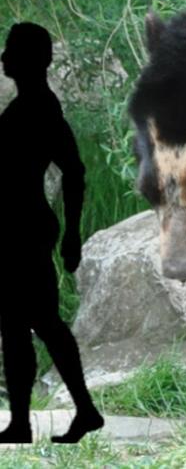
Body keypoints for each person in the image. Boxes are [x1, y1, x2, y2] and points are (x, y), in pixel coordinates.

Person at [0, 22, 103, 444]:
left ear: (28, 59)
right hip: (21, 226)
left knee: (35, 322)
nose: (3, 57)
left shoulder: (38, 110)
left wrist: (73, 235)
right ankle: (31, 420)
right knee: (26, 323)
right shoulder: (32, 107)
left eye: (9, 50)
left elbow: (75, 173)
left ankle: (72, 413)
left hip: (22, 228)